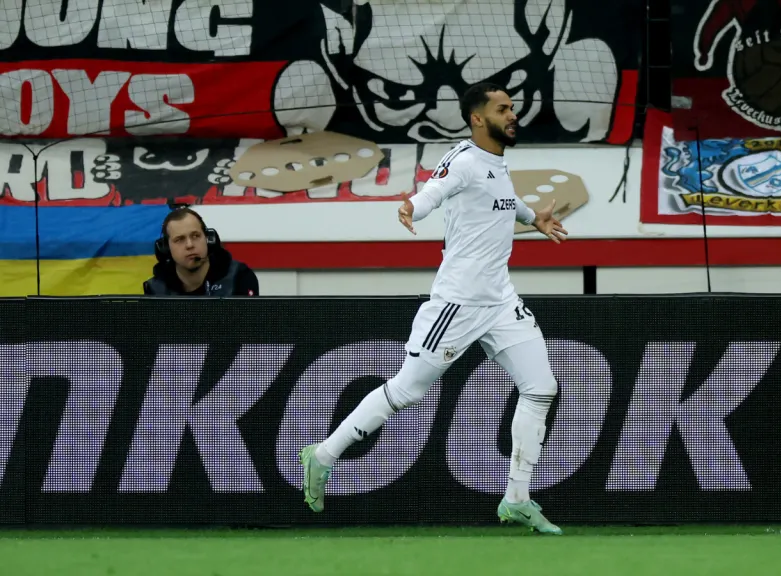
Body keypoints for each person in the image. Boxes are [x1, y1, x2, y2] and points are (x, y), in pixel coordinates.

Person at [298, 83, 568, 535]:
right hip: (457, 302)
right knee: (407, 390)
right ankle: (322, 456)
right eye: (503, 109)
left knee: (540, 387)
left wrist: (532, 218)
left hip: (501, 300)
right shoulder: (462, 159)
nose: (513, 114)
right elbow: (435, 190)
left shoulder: (496, 163)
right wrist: (412, 206)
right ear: (477, 118)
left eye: (512, 107)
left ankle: (517, 499)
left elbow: (501, 200)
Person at [143, 206, 260, 296]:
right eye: (179, 239)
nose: (190, 245)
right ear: (166, 248)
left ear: (209, 239)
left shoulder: (238, 277)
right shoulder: (156, 290)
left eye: (195, 236)